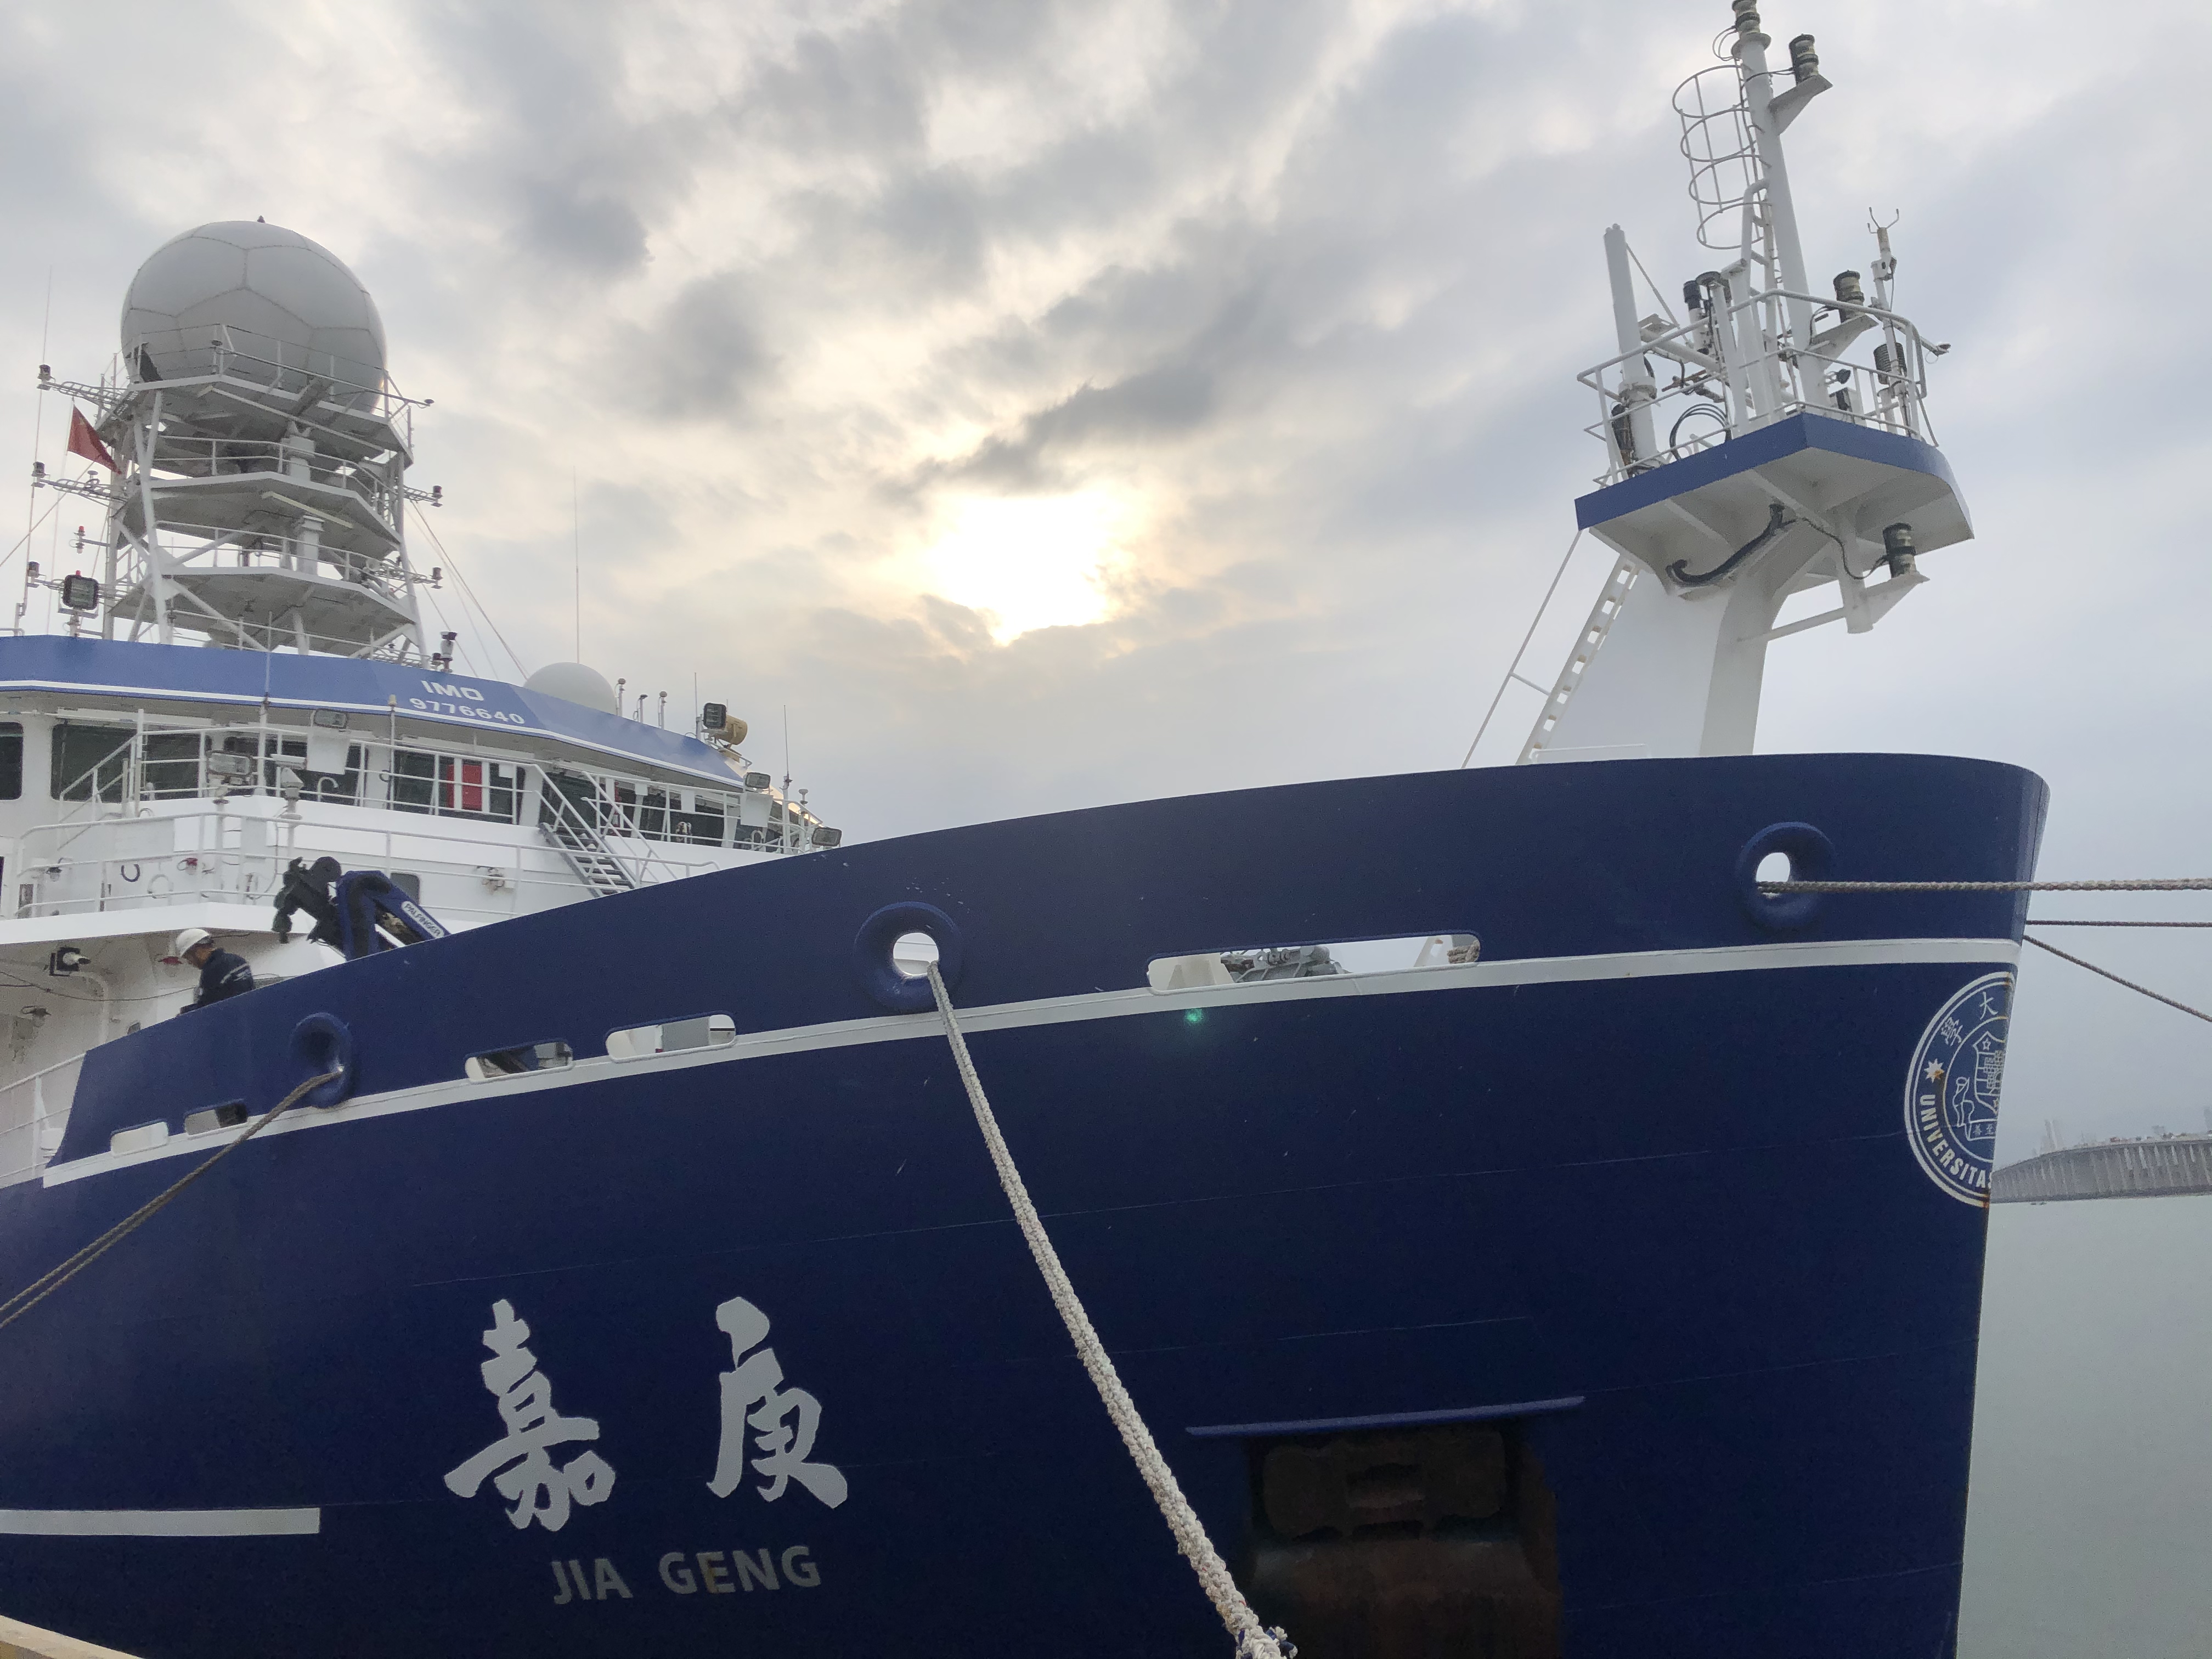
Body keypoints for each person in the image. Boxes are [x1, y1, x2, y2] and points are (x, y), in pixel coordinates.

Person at [174, 927, 253, 1013]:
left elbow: (206, 1007)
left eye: (188, 958)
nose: (190, 963)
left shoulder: (212, 970)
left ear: (197, 950)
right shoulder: (238, 960)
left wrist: (184, 1012)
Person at [272, 855, 344, 946]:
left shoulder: (302, 880)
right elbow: (283, 906)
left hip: (328, 919)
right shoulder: (301, 880)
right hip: (324, 916)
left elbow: (326, 915)